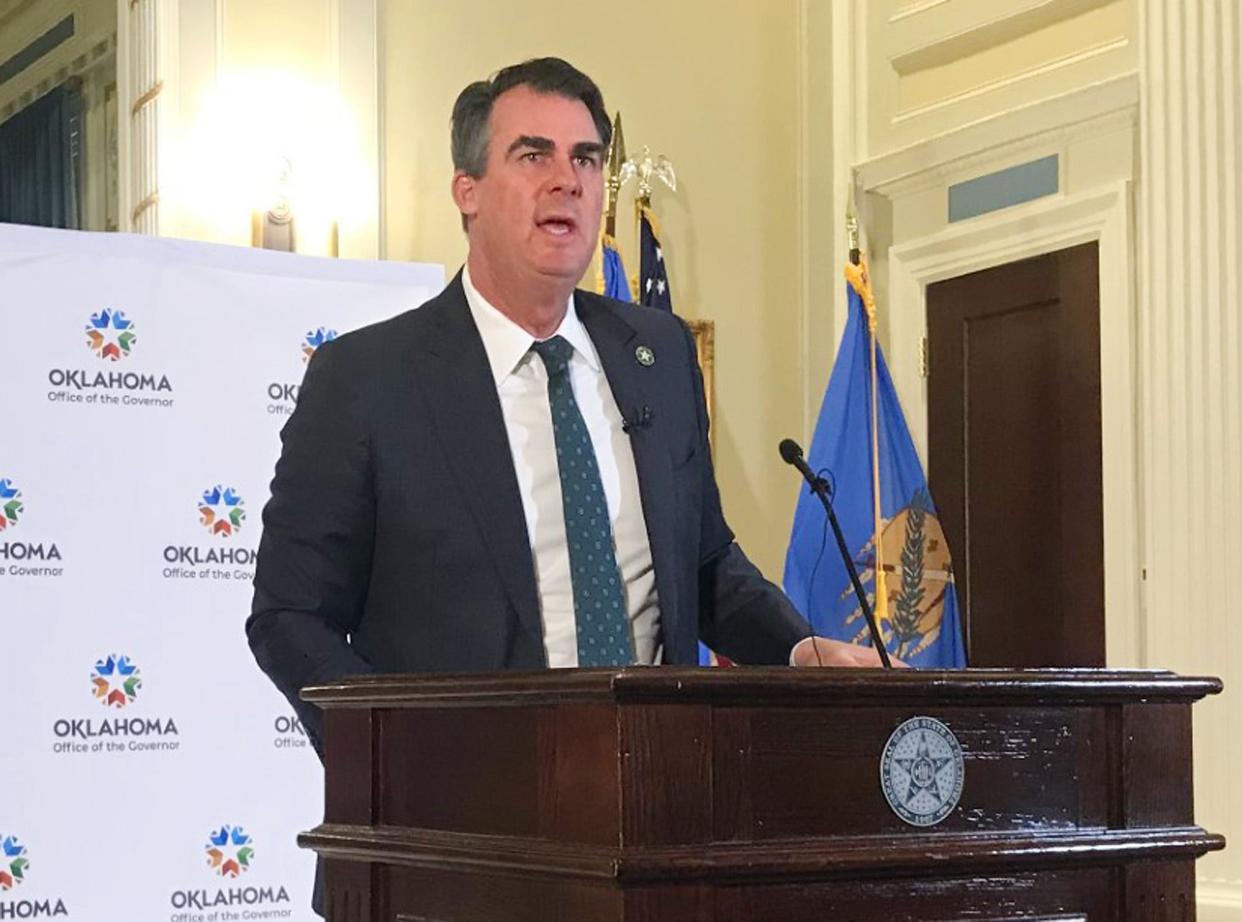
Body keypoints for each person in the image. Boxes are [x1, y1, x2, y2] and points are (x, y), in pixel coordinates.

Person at [247, 53, 888, 843]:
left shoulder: (656, 353)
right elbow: (289, 617)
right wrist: (398, 758)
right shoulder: (368, 378)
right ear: (468, 192)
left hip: (659, 815)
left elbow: (704, 562)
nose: (569, 179)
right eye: (534, 155)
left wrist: (796, 648)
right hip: (458, 836)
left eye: (586, 158)